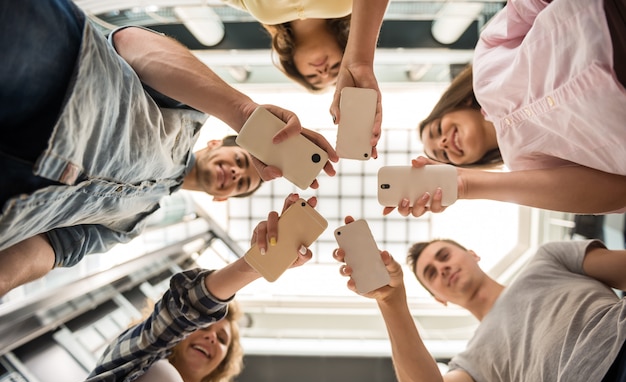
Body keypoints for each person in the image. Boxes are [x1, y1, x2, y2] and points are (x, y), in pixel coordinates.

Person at [0, 0, 338, 297]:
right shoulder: (190, 114)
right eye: (239, 161)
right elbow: (131, 43)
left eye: (241, 183)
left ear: (222, 198)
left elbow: (53, 248)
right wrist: (246, 115)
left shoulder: (131, 224)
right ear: (213, 143)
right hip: (46, 68)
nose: (235, 173)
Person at [35, 193, 317, 382]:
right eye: (208, 328)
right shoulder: (139, 356)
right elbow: (186, 306)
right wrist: (255, 265)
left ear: (223, 363)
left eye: (221, 339)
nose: (210, 337)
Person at [334, 216, 626, 382]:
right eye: (431, 273)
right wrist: (391, 300)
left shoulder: (547, 259)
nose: (442, 268)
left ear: (473, 254)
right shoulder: (473, 362)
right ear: (439, 299)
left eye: (444, 256)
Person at [391, 0, 626, 217]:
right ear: (464, 164)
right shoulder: (525, 168)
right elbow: (618, 192)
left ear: (453, 106)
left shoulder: (486, 70)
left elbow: (527, 6)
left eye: (436, 130)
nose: (443, 144)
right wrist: (464, 184)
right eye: (443, 156)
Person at [220, 0, 388, 157]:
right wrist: (359, 62)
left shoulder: (254, 8)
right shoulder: (351, 5)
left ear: (294, 66)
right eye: (336, 68)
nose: (323, 72)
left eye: (312, 76)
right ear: (342, 51)